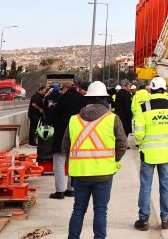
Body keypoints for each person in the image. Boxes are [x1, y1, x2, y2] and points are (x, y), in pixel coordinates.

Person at [63, 81, 127, 239]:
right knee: (100, 211)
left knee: (78, 209)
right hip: (103, 173)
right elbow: (122, 144)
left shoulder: (74, 120)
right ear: (105, 99)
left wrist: (75, 162)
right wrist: (112, 160)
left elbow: (65, 147)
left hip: (80, 173)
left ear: (87, 99)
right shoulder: (113, 118)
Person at [133, 77, 168, 231]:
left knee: (146, 186)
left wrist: (141, 143)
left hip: (147, 153)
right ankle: (166, 219)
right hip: (165, 153)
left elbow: (138, 133)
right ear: (165, 89)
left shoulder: (144, 106)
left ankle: (143, 219)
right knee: (166, 186)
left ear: (152, 89)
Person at [48, 82, 85, 199]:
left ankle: (60, 191)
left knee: (59, 162)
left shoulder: (64, 98)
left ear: (65, 88)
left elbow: (53, 115)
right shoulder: (81, 99)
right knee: (72, 163)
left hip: (62, 133)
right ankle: (71, 189)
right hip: (77, 134)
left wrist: (51, 110)